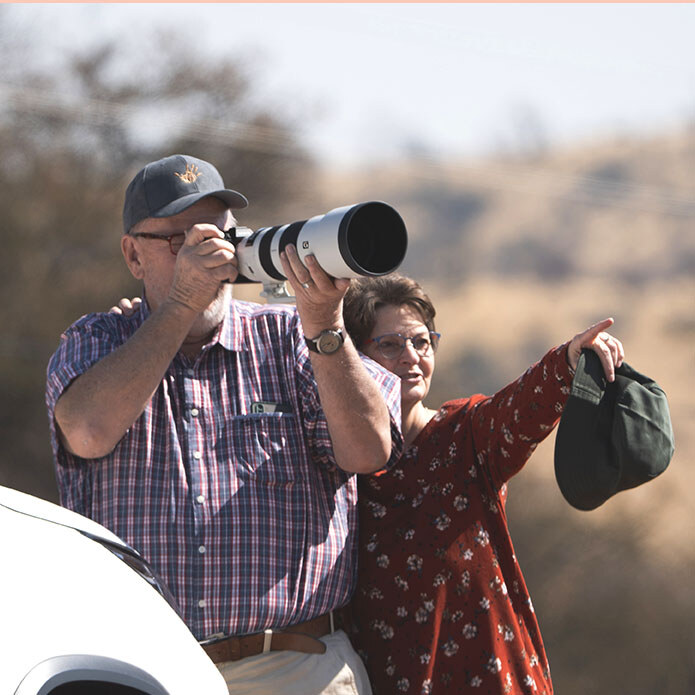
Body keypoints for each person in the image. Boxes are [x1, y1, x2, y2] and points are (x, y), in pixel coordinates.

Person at [45, 154, 403, 695]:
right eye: (178, 241)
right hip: (143, 671)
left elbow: (369, 451)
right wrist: (181, 305)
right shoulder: (97, 342)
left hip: (297, 664)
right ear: (132, 255)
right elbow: (88, 430)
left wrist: (326, 326)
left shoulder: (292, 341)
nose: (207, 252)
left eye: (218, 233)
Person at [340, 274, 625, 695]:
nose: (412, 357)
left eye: (422, 342)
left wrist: (566, 360)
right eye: (390, 345)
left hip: (492, 677)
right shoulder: (336, 463)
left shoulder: (463, 434)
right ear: (352, 356)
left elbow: (519, 411)